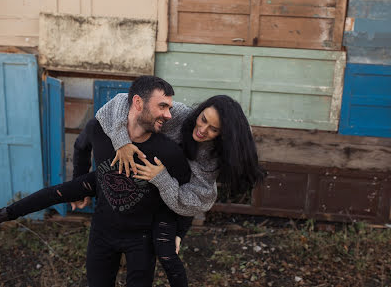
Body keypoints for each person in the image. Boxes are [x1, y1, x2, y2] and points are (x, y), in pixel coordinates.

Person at [0, 76, 192, 287]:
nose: (168, 115)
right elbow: (80, 147)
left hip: (141, 237)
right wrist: (80, 186)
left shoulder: (168, 152)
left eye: (169, 107)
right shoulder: (100, 129)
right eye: (162, 106)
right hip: (102, 232)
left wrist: (178, 233)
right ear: (138, 103)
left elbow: (187, 195)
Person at [72, 92, 265, 218]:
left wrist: (161, 179)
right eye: (203, 119)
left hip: (160, 206)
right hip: (127, 182)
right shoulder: (178, 114)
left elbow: (200, 200)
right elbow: (123, 100)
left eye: (213, 129)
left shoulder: (211, 157)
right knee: (92, 128)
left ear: (223, 134)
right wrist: (122, 142)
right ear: (199, 111)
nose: (202, 130)